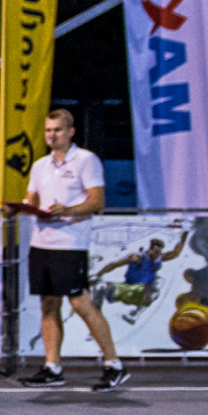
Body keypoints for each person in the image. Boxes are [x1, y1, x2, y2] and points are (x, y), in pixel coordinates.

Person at [17, 108, 129, 391]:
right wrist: (22, 207)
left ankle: (114, 364)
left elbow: (97, 202)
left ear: (70, 132)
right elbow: (32, 199)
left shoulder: (86, 160)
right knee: (48, 304)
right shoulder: (40, 165)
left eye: (57, 130)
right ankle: (52, 367)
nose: (51, 135)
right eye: (48, 130)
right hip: (41, 243)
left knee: (80, 303)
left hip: (70, 243)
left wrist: (67, 210)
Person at [92, 234, 187, 317]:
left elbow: (176, 253)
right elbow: (114, 264)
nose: (157, 255)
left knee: (159, 281)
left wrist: (184, 234)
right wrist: (99, 274)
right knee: (101, 287)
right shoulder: (137, 258)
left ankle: (136, 312)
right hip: (127, 289)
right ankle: (96, 314)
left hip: (141, 294)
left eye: (159, 252)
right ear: (150, 250)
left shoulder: (159, 258)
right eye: (155, 252)